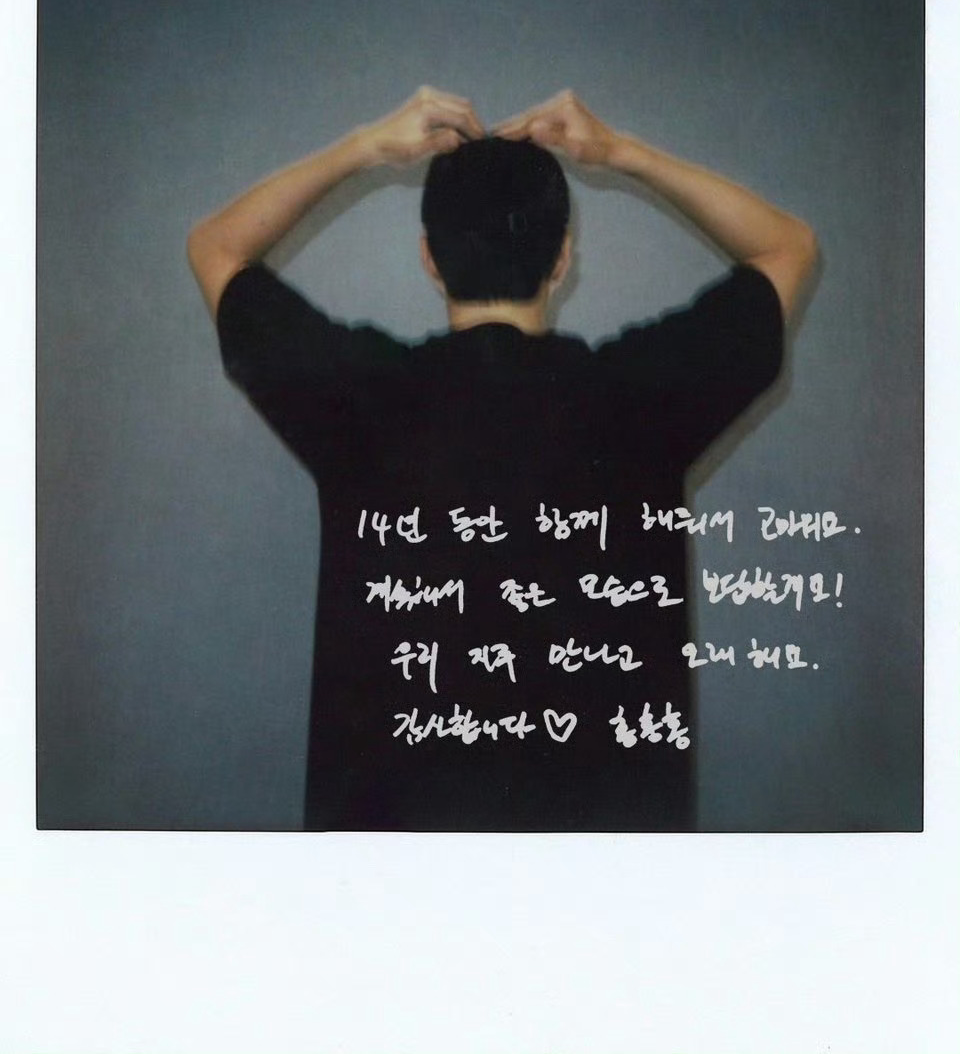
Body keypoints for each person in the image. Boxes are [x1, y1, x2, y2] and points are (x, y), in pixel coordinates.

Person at [188, 87, 816, 831]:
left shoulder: (360, 399)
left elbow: (216, 247)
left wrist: (365, 147)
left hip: (391, 881)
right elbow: (788, 247)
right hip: (606, 883)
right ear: (563, 259)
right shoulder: (639, 398)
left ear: (429, 260)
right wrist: (622, 153)